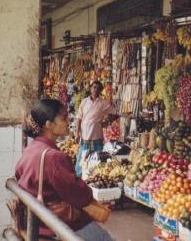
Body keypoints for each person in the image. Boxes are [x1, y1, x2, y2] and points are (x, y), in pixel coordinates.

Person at [15, 98, 113, 240]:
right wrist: (88, 191)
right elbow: (80, 196)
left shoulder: (30, 149)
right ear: (49, 125)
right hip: (57, 224)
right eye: (64, 118)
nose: (68, 122)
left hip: (37, 221)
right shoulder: (55, 157)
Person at [75, 80, 117, 177]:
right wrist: (77, 133)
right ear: (90, 88)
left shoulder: (103, 103)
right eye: (94, 87)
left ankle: (96, 177)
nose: (95, 90)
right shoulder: (84, 102)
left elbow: (115, 112)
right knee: (83, 157)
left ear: (101, 91)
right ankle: (79, 176)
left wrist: (107, 122)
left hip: (96, 136)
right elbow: (79, 118)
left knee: (98, 159)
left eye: (98, 88)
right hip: (85, 136)